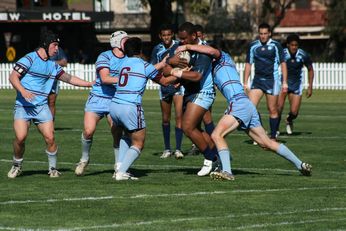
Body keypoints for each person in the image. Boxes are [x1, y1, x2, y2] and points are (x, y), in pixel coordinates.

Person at [175, 43, 312, 180]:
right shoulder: (212, 68)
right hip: (246, 104)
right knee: (266, 143)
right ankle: (301, 165)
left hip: (239, 103)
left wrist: (187, 46)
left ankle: (227, 172)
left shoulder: (223, 58)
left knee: (217, 135)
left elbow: (210, 50)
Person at [7, 31, 94, 178]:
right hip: (23, 106)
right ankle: (17, 165)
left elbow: (69, 78)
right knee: (20, 138)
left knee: (50, 138)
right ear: (45, 45)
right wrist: (22, 91)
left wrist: (89, 84)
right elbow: (13, 77)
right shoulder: (29, 59)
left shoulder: (52, 65)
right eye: (54, 45)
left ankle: (53, 169)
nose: (57, 49)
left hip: (41, 107)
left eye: (57, 46)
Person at [110, 37, 179, 181]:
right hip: (130, 106)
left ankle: (119, 166)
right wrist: (181, 75)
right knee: (138, 143)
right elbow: (164, 81)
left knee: (126, 135)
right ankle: (121, 172)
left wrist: (163, 63)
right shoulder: (143, 65)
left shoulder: (122, 63)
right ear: (140, 50)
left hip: (115, 104)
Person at [74, 31, 128, 176]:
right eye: (125, 40)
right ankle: (84, 159)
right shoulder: (104, 56)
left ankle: (118, 164)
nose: (127, 42)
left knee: (117, 131)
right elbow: (105, 78)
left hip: (115, 99)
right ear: (117, 42)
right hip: (98, 98)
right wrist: (125, 79)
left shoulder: (129, 58)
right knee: (89, 131)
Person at [168, 22, 218, 176]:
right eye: (180, 39)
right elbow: (165, 67)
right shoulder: (182, 48)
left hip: (203, 92)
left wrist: (176, 73)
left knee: (188, 127)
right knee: (197, 129)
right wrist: (171, 62)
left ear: (194, 36)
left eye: (184, 39)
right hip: (190, 92)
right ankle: (218, 156)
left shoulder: (204, 51)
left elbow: (197, 76)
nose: (181, 42)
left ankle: (209, 160)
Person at [243, 23, 288, 141]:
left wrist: (284, 82)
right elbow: (248, 64)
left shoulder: (276, 46)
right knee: (250, 108)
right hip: (257, 81)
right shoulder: (253, 46)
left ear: (269, 34)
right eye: (261, 34)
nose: (262, 36)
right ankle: (261, 132)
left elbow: (283, 64)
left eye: (265, 34)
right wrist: (245, 82)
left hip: (271, 81)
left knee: (272, 109)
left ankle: (273, 137)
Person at [150, 24, 184, 159]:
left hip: (178, 87)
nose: (166, 38)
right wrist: (162, 81)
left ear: (172, 35)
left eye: (168, 35)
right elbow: (153, 69)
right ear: (160, 36)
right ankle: (167, 149)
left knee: (179, 117)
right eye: (164, 35)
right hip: (164, 87)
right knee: (165, 119)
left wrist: (180, 81)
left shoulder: (179, 47)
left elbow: (186, 66)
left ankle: (178, 149)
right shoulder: (157, 49)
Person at [277, 34, 314, 135]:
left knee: (294, 112)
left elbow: (310, 69)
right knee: (278, 108)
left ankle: (289, 120)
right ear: (288, 45)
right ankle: (275, 129)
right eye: (292, 45)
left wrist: (310, 87)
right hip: (283, 83)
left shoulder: (303, 55)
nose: (294, 47)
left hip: (297, 85)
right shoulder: (282, 53)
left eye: (296, 45)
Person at [187, 24, 215, 156]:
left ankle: (214, 151)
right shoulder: (188, 47)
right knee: (193, 124)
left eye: (199, 35)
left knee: (205, 119)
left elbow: (199, 73)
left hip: (203, 90)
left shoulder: (206, 49)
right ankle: (215, 150)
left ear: (202, 36)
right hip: (191, 89)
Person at [48, 46, 68, 120]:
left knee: (51, 102)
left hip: (53, 80)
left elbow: (64, 62)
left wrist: (49, 63)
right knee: (40, 103)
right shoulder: (40, 50)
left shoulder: (58, 50)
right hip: (41, 80)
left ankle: (51, 125)